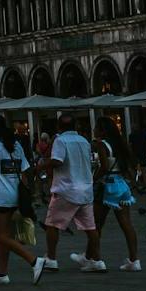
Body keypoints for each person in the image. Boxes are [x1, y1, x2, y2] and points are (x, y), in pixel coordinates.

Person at [0, 115, 42, 285]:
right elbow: (26, 169)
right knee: (6, 236)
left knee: (0, 237)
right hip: (14, 196)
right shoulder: (16, 145)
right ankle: (2, 273)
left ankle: (34, 260)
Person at [39, 114, 104, 274]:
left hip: (66, 189)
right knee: (91, 228)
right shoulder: (84, 141)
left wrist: (40, 165)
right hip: (85, 190)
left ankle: (51, 259)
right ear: (76, 126)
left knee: (52, 225)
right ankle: (97, 260)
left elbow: (58, 161)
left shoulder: (60, 140)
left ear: (59, 127)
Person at [93, 124, 142, 272]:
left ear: (103, 130)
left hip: (107, 185)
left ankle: (96, 259)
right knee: (126, 224)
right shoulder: (121, 145)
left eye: (97, 127)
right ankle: (134, 260)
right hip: (122, 184)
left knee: (97, 224)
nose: (94, 130)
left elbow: (103, 168)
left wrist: (92, 180)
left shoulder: (102, 145)